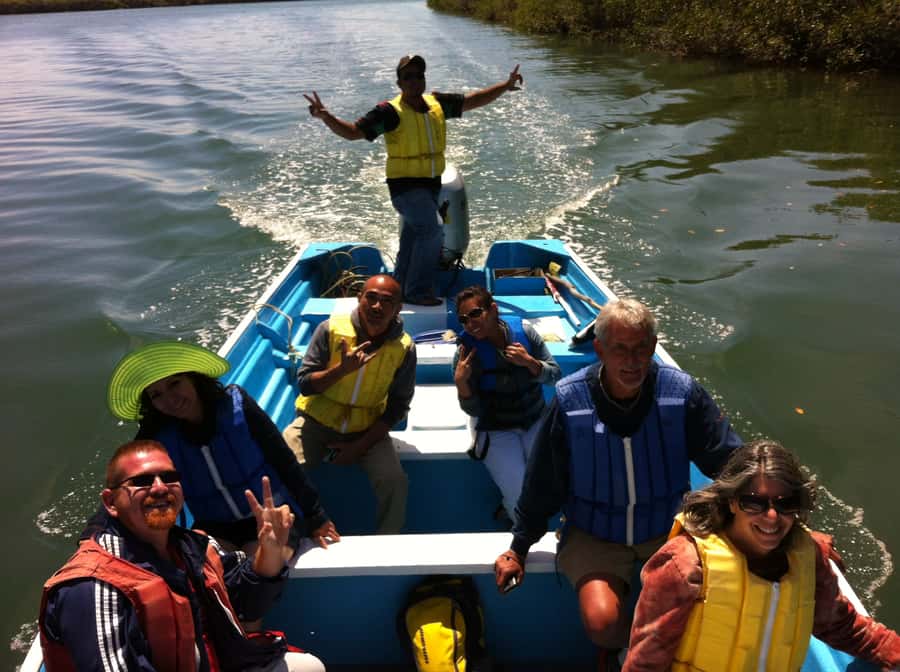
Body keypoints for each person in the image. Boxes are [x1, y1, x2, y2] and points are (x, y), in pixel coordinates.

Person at [493, 298, 742, 671]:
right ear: (599, 349)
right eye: (620, 349)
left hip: (668, 529)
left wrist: (789, 523)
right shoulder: (568, 400)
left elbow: (730, 463)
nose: (632, 360)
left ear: (654, 347)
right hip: (594, 534)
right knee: (603, 623)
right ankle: (627, 652)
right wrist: (519, 547)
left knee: (711, 606)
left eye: (642, 348)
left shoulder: (682, 393)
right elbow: (543, 481)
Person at [39, 440, 326, 672]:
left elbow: (248, 603)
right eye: (141, 481)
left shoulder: (195, 546)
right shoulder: (95, 586)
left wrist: (271, 551)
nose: (160, 487)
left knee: (310, 667)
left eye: (169, 477)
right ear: (111, 502)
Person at [623, 439, 900, 671]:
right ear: (731, 501)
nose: (771, 517)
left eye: (785, 504)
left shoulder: (807, 558)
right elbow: (646, 664)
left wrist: (892, 649)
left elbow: (840, 625)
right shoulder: (683, 563)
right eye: (754, 502)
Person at [303, 55, 523, 305]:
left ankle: (397, 287)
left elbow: (473, 100)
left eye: (419, 75)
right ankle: (417, 292)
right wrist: (326, 116)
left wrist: (505, 86)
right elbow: (353, 132)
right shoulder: (389, 112)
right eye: (408, 76)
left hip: (431, 186)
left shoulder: (436, 103)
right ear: (399, 83)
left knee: (411, 239)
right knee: (432, 230)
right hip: (405, 187)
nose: (415, 80)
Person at [107, 341, 340, 561]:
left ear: (194, 379)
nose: (170, 399)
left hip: (273, 513)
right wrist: (99, 532)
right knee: (203, 564)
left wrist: (315, 515)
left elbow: (284, 459)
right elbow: (124, 485)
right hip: (217, 527)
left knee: (259, 559)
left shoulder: (237, 404)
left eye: (175, 383)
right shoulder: (157, 434)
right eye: (156, 395)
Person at [282, 274, 413, 534]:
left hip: (367, 429)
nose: (377, 306)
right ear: (359, 299)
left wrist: (358, 447)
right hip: (316, 421)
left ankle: (388, 543)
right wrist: (341, 370)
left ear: (398, 308)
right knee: (283, 469)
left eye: (387, 301)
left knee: (394, 481)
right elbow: (306, 384)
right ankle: (287, 538)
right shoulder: (329, 330)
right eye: (371, 298)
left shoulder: (404, 347)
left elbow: (398, 406)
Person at [452, 285, 561, 523]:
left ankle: (507, 508)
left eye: (475, 313)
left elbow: (555, 376)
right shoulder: (465, 354)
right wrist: (462, 384)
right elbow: (474, 410)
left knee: (547, 483)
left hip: (533, 420)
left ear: (493, 310)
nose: (470, 323)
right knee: (520, 494)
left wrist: (531, 363)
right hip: (495, 428)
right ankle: (521, 540)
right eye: (463, 319)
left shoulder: (524, 332)